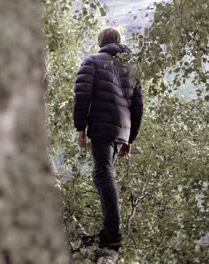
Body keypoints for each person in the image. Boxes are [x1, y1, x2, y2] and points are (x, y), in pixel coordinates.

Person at [73, 28, 143, 249]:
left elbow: (82, 94)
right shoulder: (132, 68)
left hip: (102, 126)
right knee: (103, 173)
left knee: (102, 173)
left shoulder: (92, 61)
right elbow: (138, 107)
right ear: (119, 42)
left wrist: (80, 127)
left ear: (100, 42)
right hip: (122, 130)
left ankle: (112, 232)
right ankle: (109, 230)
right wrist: (129, 139)